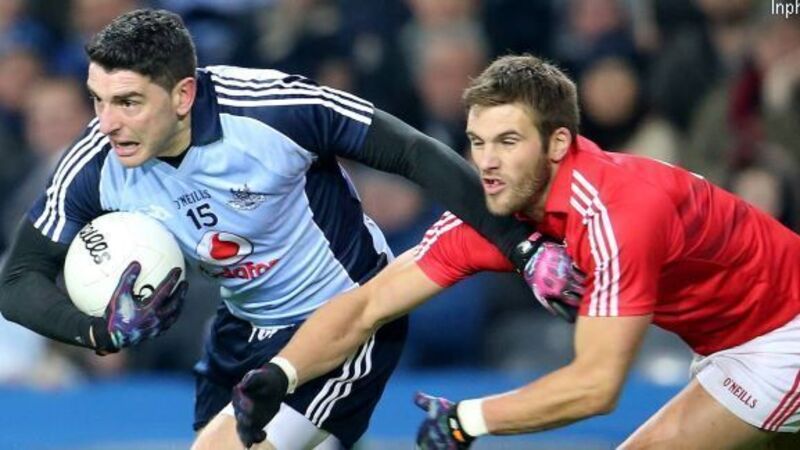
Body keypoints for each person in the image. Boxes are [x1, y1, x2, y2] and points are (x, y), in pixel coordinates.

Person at [0, 10, 581, 450]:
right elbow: (19, 277)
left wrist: (521, 246)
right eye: (98, 100)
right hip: (241, 329)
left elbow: (412, 152)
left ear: (183, 94)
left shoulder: (272, 109)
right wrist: (99, 330)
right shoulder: (96, 164)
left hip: (348, 318)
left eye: (128, 102)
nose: (107, 123)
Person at [231, 54, 800, 450]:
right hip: (735, 341)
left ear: (557, 143)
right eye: (477, 142)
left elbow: (597, 387)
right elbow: (368, 305)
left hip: (782, 335)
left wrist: (469, 419)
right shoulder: (496, 212)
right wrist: (282, 372)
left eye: (508, 141)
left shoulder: (617, 211)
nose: (487, 162)